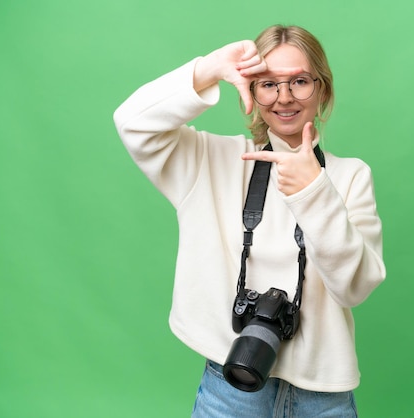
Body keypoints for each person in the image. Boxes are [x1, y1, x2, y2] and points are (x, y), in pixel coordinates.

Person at [114, 24, 386, 418]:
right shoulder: (213, 161)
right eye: (268, 84)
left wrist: (313, 192)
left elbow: (354, 287)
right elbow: (132, 122)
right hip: (231, 387)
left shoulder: (350, 176)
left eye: (300, 81)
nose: (285, 97)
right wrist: (207, 70)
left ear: (322, 89)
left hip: (324, 397)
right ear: (252, 91)